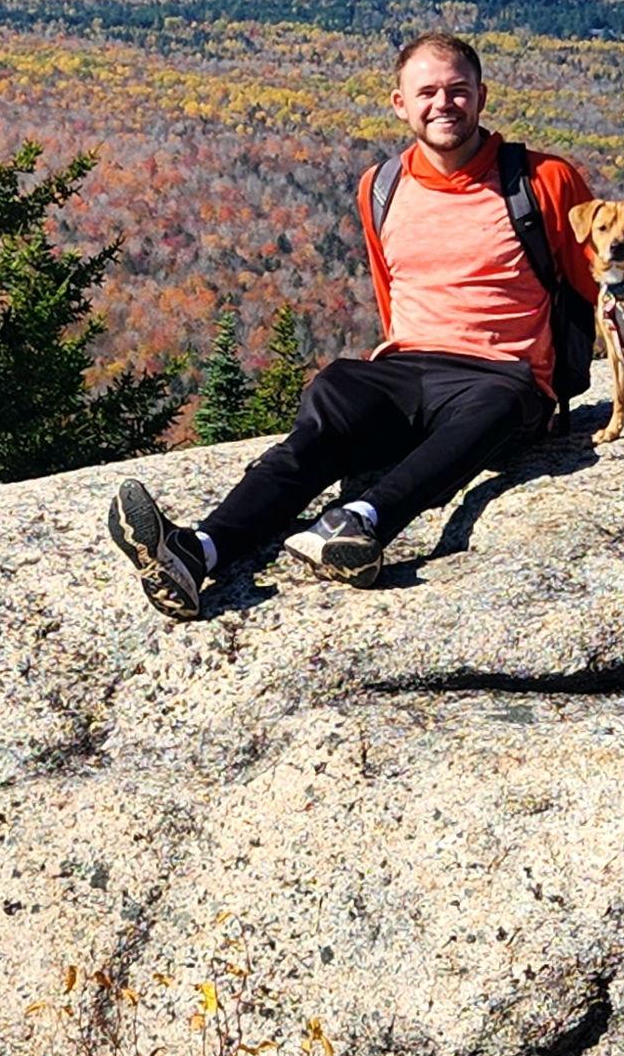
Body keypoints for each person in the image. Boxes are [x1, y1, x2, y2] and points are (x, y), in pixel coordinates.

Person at [110, 32, 598, 618]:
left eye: (458, 91)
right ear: (400, 103)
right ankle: (196, 553)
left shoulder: (543, 180)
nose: (444, 104)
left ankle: (364, 521)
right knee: (328, 410)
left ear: (481, 97)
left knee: (495, 404)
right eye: (428, 93)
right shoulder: (382, 186)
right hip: (407, 366)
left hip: (501, 376)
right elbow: (389, 292)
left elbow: (604, 274)